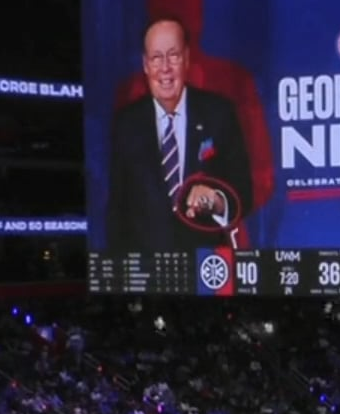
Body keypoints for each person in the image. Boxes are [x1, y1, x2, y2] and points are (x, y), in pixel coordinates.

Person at [105, 17, 253, 252]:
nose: (165, 68)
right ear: (145, 65)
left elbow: (245, 192)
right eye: (156, 58)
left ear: (186, 59)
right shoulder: (126, 124)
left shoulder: (219, 113)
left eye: (173, 55)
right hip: (149, 272)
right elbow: (116, 211)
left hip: (208, 268)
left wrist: (215, 200)